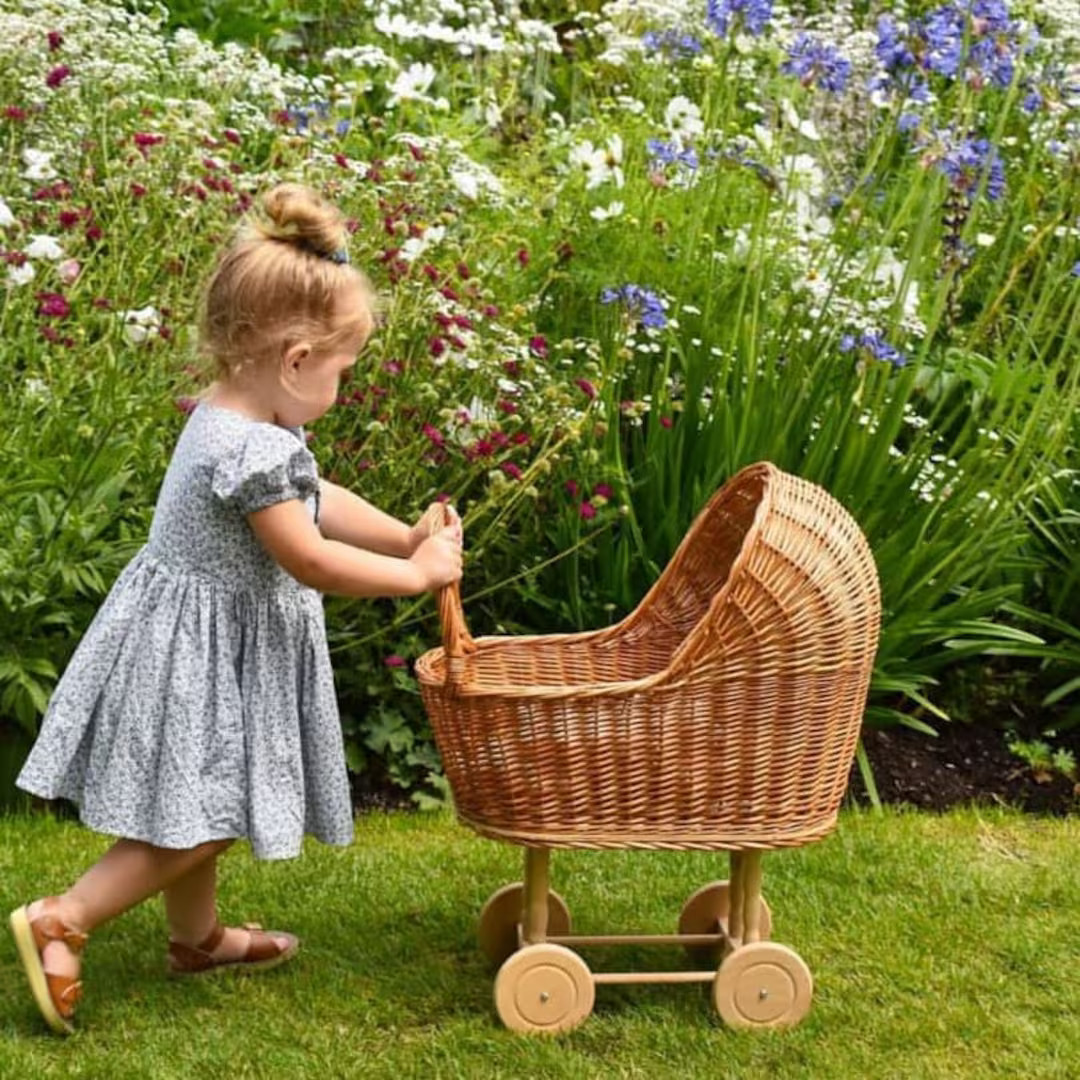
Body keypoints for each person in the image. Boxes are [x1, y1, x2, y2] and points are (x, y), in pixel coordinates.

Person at [9, 182, 463, 1035]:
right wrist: (418, 576)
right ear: (295, 360)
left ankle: (198, 939)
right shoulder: (247, 447)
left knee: (200, 795)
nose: (342, 389)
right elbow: (308, 554)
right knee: (214, 810)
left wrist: (406, 536)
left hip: (204, 638)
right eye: (342, 373)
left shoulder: (242, 419)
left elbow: (317, 495)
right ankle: (62, 918)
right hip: (203, 650)